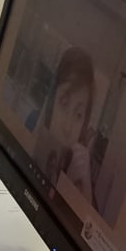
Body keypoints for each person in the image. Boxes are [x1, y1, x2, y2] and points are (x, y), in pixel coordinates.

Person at [34, 46, 98, 205]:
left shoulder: (82, 181)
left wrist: (84, 196)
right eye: (64, 103)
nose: (68, 127)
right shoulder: (30, 130)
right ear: (51, 104)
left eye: (78, 115)